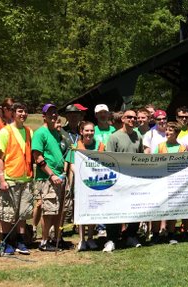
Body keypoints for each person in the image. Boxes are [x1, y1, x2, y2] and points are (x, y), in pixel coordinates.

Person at [31, 104, 71, 252]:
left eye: (55, 113)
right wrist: (51, 174)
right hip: (47, 178)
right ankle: (44, 241)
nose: (53, 115)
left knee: (59, 210)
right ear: (44, 116)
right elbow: (38, 157)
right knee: (48, 211)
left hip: (60, 177)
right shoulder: (40, 133)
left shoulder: (57, 133)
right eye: (50, 113)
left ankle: (56, 238)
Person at [0, 103, 33, 255]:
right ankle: (6, 242)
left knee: (23, 213)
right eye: (20, 111)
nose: (23, 114)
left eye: (25, 111)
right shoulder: (5, 132)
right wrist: (2, 179)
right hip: (10, 179)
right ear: (13, 113)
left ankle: (21, 241)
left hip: (26, 179)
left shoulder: (29, 131)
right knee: (7, 214)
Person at [103, 109, 143, 251]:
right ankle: (111, 239)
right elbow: (108, 159)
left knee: (135, 209)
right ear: (123, 119)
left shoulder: (138, 136)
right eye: (129, 117)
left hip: (134, 180)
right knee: (114, 209)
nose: (132, 119)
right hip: (118, 180)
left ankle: (131, 236)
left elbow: (141, 158)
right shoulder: (114, 137)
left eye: (134, 117)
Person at [66, 120, 103, 251]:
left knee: (93, 209)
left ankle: (91, 238)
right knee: (81, 209)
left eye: (92, 130)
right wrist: (82, 176)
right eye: (86, 130)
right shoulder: (75, 146)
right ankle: (82, 239)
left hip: (95, 183)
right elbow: (72, 165)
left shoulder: (100, 146)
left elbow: (103, 163)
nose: (89, 133)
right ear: (81, 132)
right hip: (81, 183)